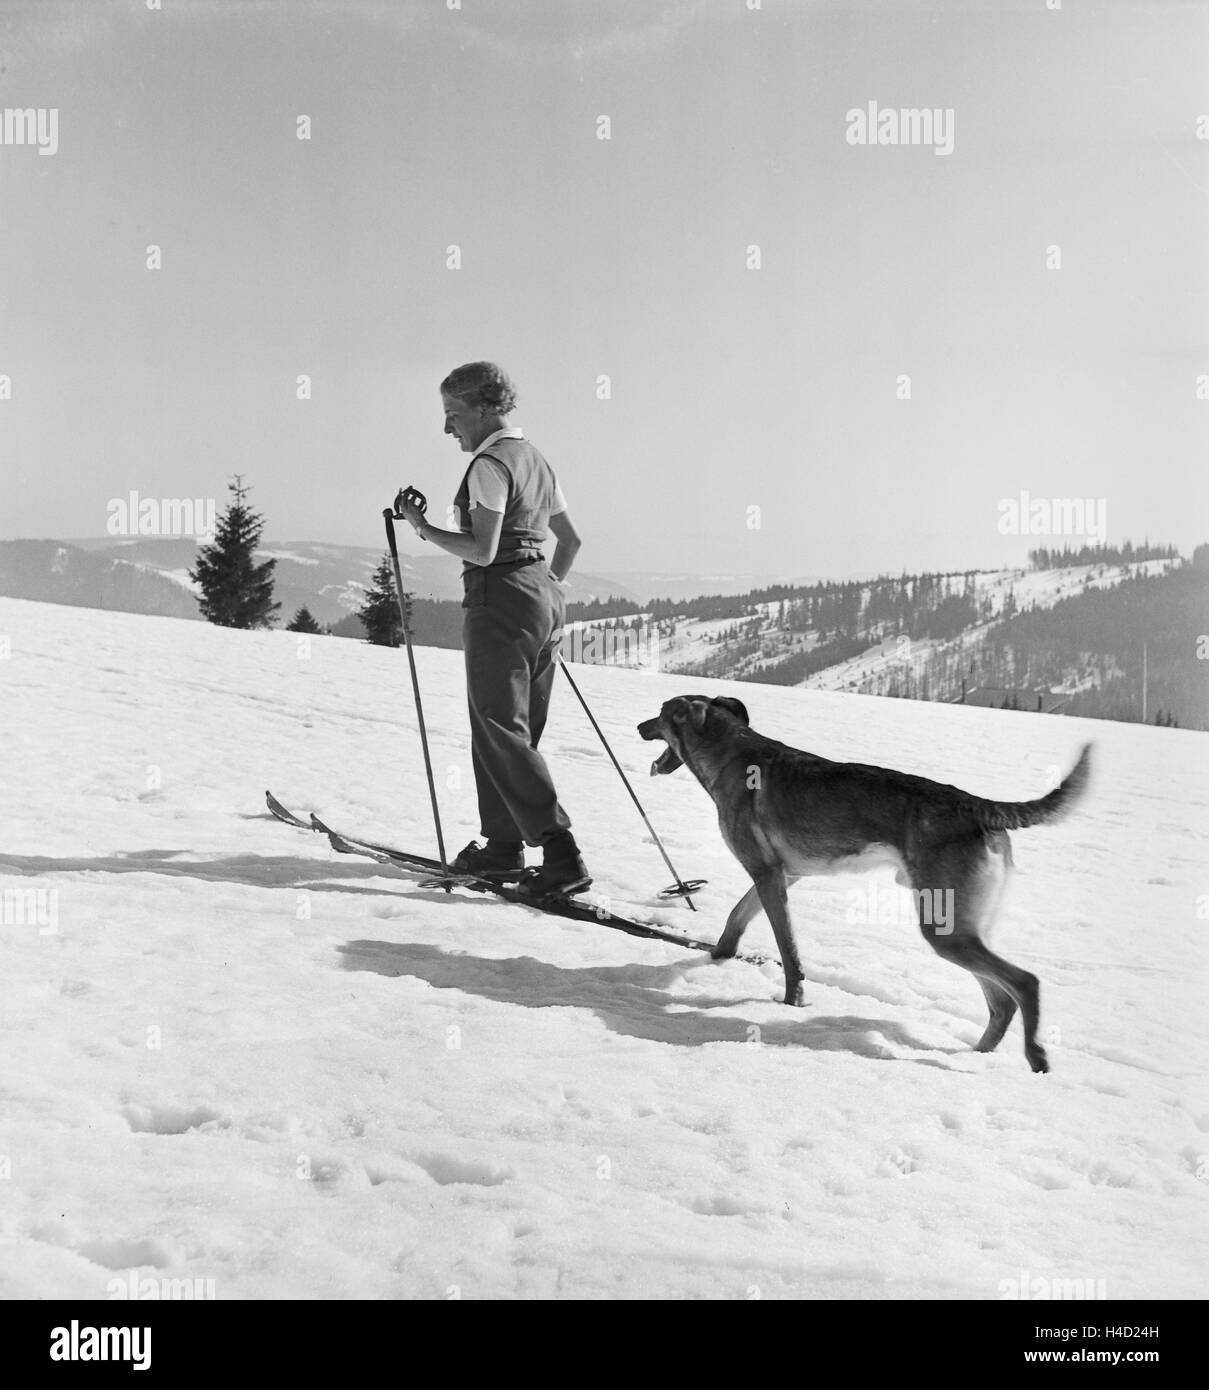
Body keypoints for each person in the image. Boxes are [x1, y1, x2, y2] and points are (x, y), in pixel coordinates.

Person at [397, 361, 590, 898]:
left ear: (483, 408)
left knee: (496, 724)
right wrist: (545, 589)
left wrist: (422, 527)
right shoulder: (535, 459)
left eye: (453, 414)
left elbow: (480, 550)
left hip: (499, 596)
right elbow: (571, 541)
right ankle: (504, 846)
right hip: (544, 597)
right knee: (513, 729)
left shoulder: (489, 464)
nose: (447, 428)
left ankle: (559, 851)